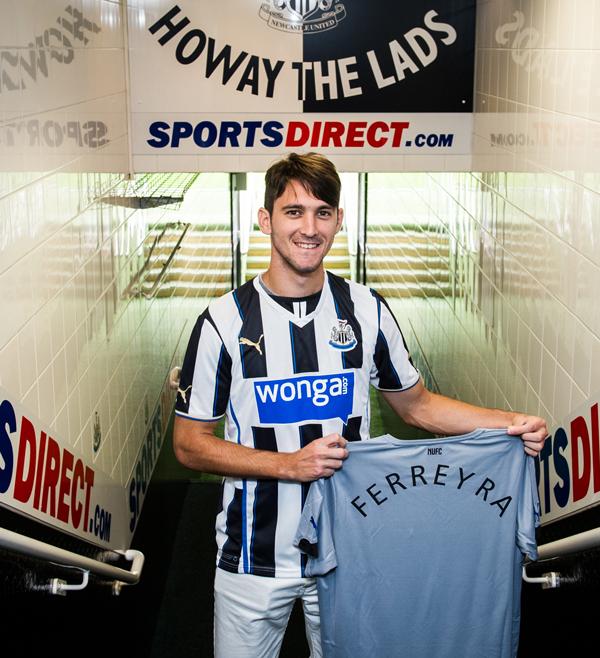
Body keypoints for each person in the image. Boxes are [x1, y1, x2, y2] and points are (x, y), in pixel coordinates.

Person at [172, 152, 548, 658]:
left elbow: (416, 406)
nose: (310, 228)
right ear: (265, 220)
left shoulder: (366, 309)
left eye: (323, 213)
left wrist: (509, 422)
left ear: (339, 220)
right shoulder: (221, 323)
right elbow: (190, 444)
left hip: (350, 549)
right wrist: (287, 465)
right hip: (252, 557)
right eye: (293, 211)